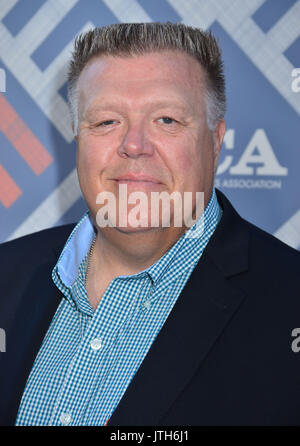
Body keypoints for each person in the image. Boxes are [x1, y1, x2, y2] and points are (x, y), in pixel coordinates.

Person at [0, 22, 300, 427]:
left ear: (215, 140)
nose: (134, 144)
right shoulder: (7, 272)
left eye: (167, 120)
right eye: (106, 121)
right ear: (77, 136)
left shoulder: (289, 300)